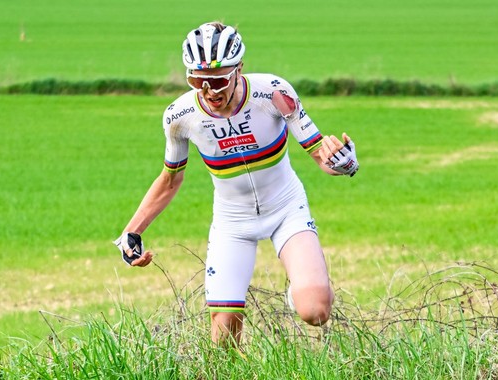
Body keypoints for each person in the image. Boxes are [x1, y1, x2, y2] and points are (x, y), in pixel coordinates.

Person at [115, 21, 359, 345]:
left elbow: (318, 155)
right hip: (233, 221)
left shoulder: (272, 93)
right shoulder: (180, 117)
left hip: (285, 207)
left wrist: (344, 163)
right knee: (223, 346)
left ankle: (300, 288)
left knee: (315, 311)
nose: (209, 91)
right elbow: (170, 179)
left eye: (218, 80)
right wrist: (132, 232)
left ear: (239, 68)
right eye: (197, 80)